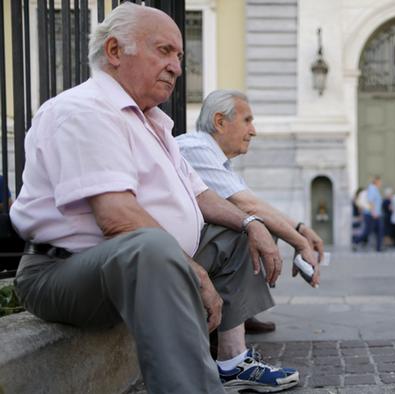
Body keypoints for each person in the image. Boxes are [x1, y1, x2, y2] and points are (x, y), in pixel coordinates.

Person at [9, 4, 299, 393]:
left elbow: (202, 194)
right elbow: (118, 219)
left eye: (179, 56)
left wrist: (251, 224)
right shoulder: (84, 110)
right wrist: (193, 272)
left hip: (141, 264)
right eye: (164, 51)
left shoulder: (154, 122)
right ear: (114, 51)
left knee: (232, 236)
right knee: (152, 248)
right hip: (62, 272)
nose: (177, 67)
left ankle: (231, 360)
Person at [176, 90, 325, 335]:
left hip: (193, 245)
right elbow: (249, 207)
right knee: (251, 228)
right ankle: (228, 323)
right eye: (247, 121)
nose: (253, 131)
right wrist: (300, 243)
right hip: (181, 250)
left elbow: (256, 204)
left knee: (263, 225)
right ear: (220, 122)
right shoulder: (195, 148)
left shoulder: (216, 157)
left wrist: (301, 229)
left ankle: (241, 312)